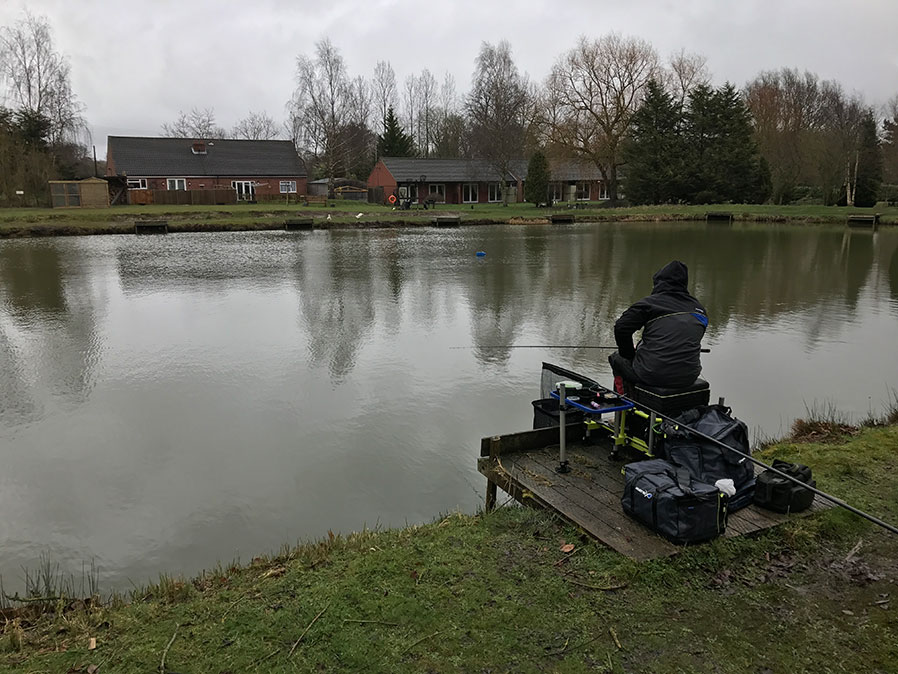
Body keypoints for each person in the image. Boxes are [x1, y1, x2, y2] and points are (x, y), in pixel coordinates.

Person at [608, 260, 708, 394]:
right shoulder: (699, 309)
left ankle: (625, 404)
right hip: (689, 376)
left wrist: (629, 356)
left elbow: (621, 328)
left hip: (652, 375)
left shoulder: (650, 304)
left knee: (617, 359)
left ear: (659, 282)